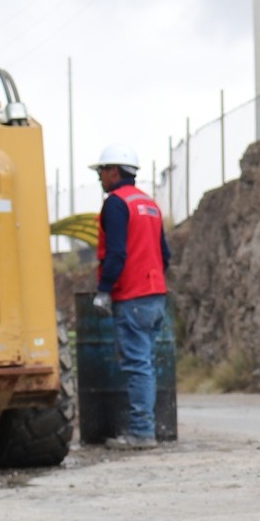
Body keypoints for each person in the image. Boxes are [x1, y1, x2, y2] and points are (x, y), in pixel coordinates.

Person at [90, 144, 170, 451]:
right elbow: (165, 254)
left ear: (114, 171)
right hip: (154, 296)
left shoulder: (116, 203)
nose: (100, 177)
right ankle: (145, 428)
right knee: (146, 363)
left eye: (101, 171)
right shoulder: (149, 204)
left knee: (137, 366)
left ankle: (141, 432)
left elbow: (117, 253)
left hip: (133, 297)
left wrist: (104, 290)